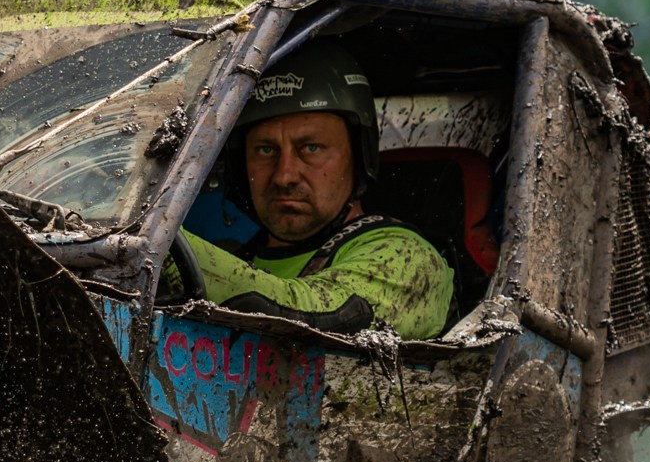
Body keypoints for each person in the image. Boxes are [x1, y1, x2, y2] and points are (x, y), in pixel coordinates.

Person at [174, 42, 454, 340]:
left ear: (358, 158)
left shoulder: (408, 259)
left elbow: (305, 313)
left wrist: (158, 249)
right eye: (266, 150)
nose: (284, 176)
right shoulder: (236, 258)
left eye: (311, 148)